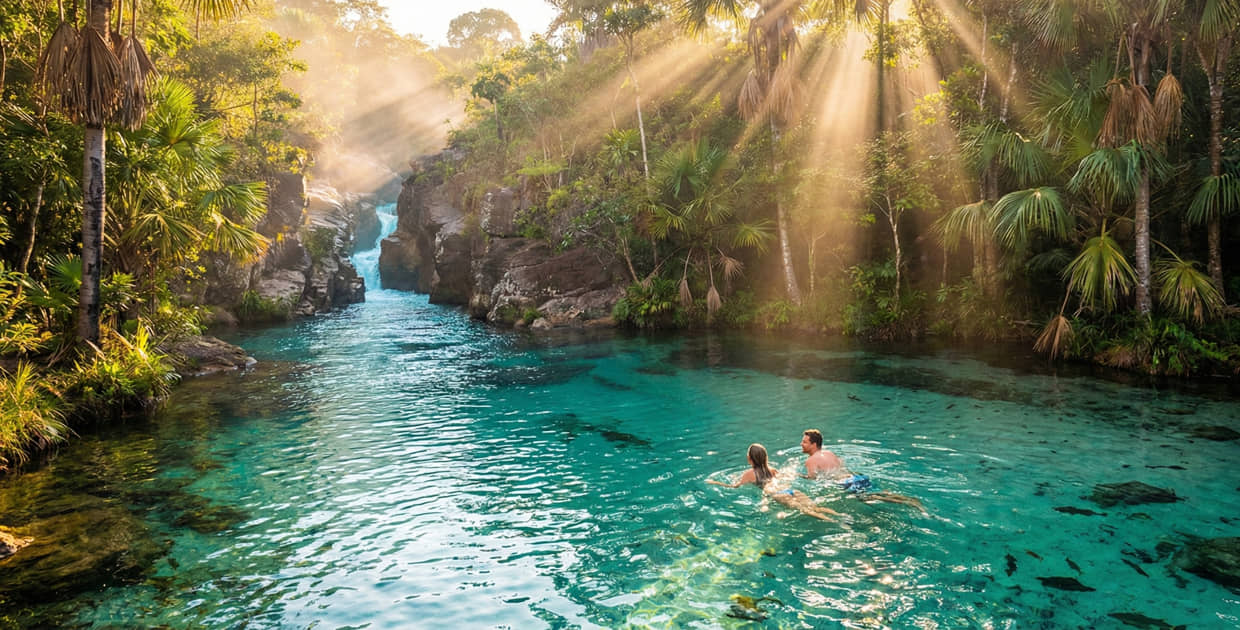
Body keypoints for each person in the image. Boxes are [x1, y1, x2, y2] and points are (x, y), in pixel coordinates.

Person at [708, 443, 841, 521]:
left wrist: (716, 483)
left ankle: (834, 521)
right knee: (813, 506)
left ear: (749, 458)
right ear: (765, 457)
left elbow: (734, 486)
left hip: (776, 494)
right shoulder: (772, 469)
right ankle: (839, 515)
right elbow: (783, 477)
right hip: (791, 490)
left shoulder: (749, 474)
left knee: (806, 510)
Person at [801, 429, 925, 512]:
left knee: (871, 497)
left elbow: (813, 479)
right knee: (878, 492)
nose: (801, 444)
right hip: (856, 476)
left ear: (814, 444)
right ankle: (908, 499)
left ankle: (909, 503)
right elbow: (841, 465)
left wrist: (799, 475)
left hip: (847, 483)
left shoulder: (810, 460)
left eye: (805, 442)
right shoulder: (829, 453)